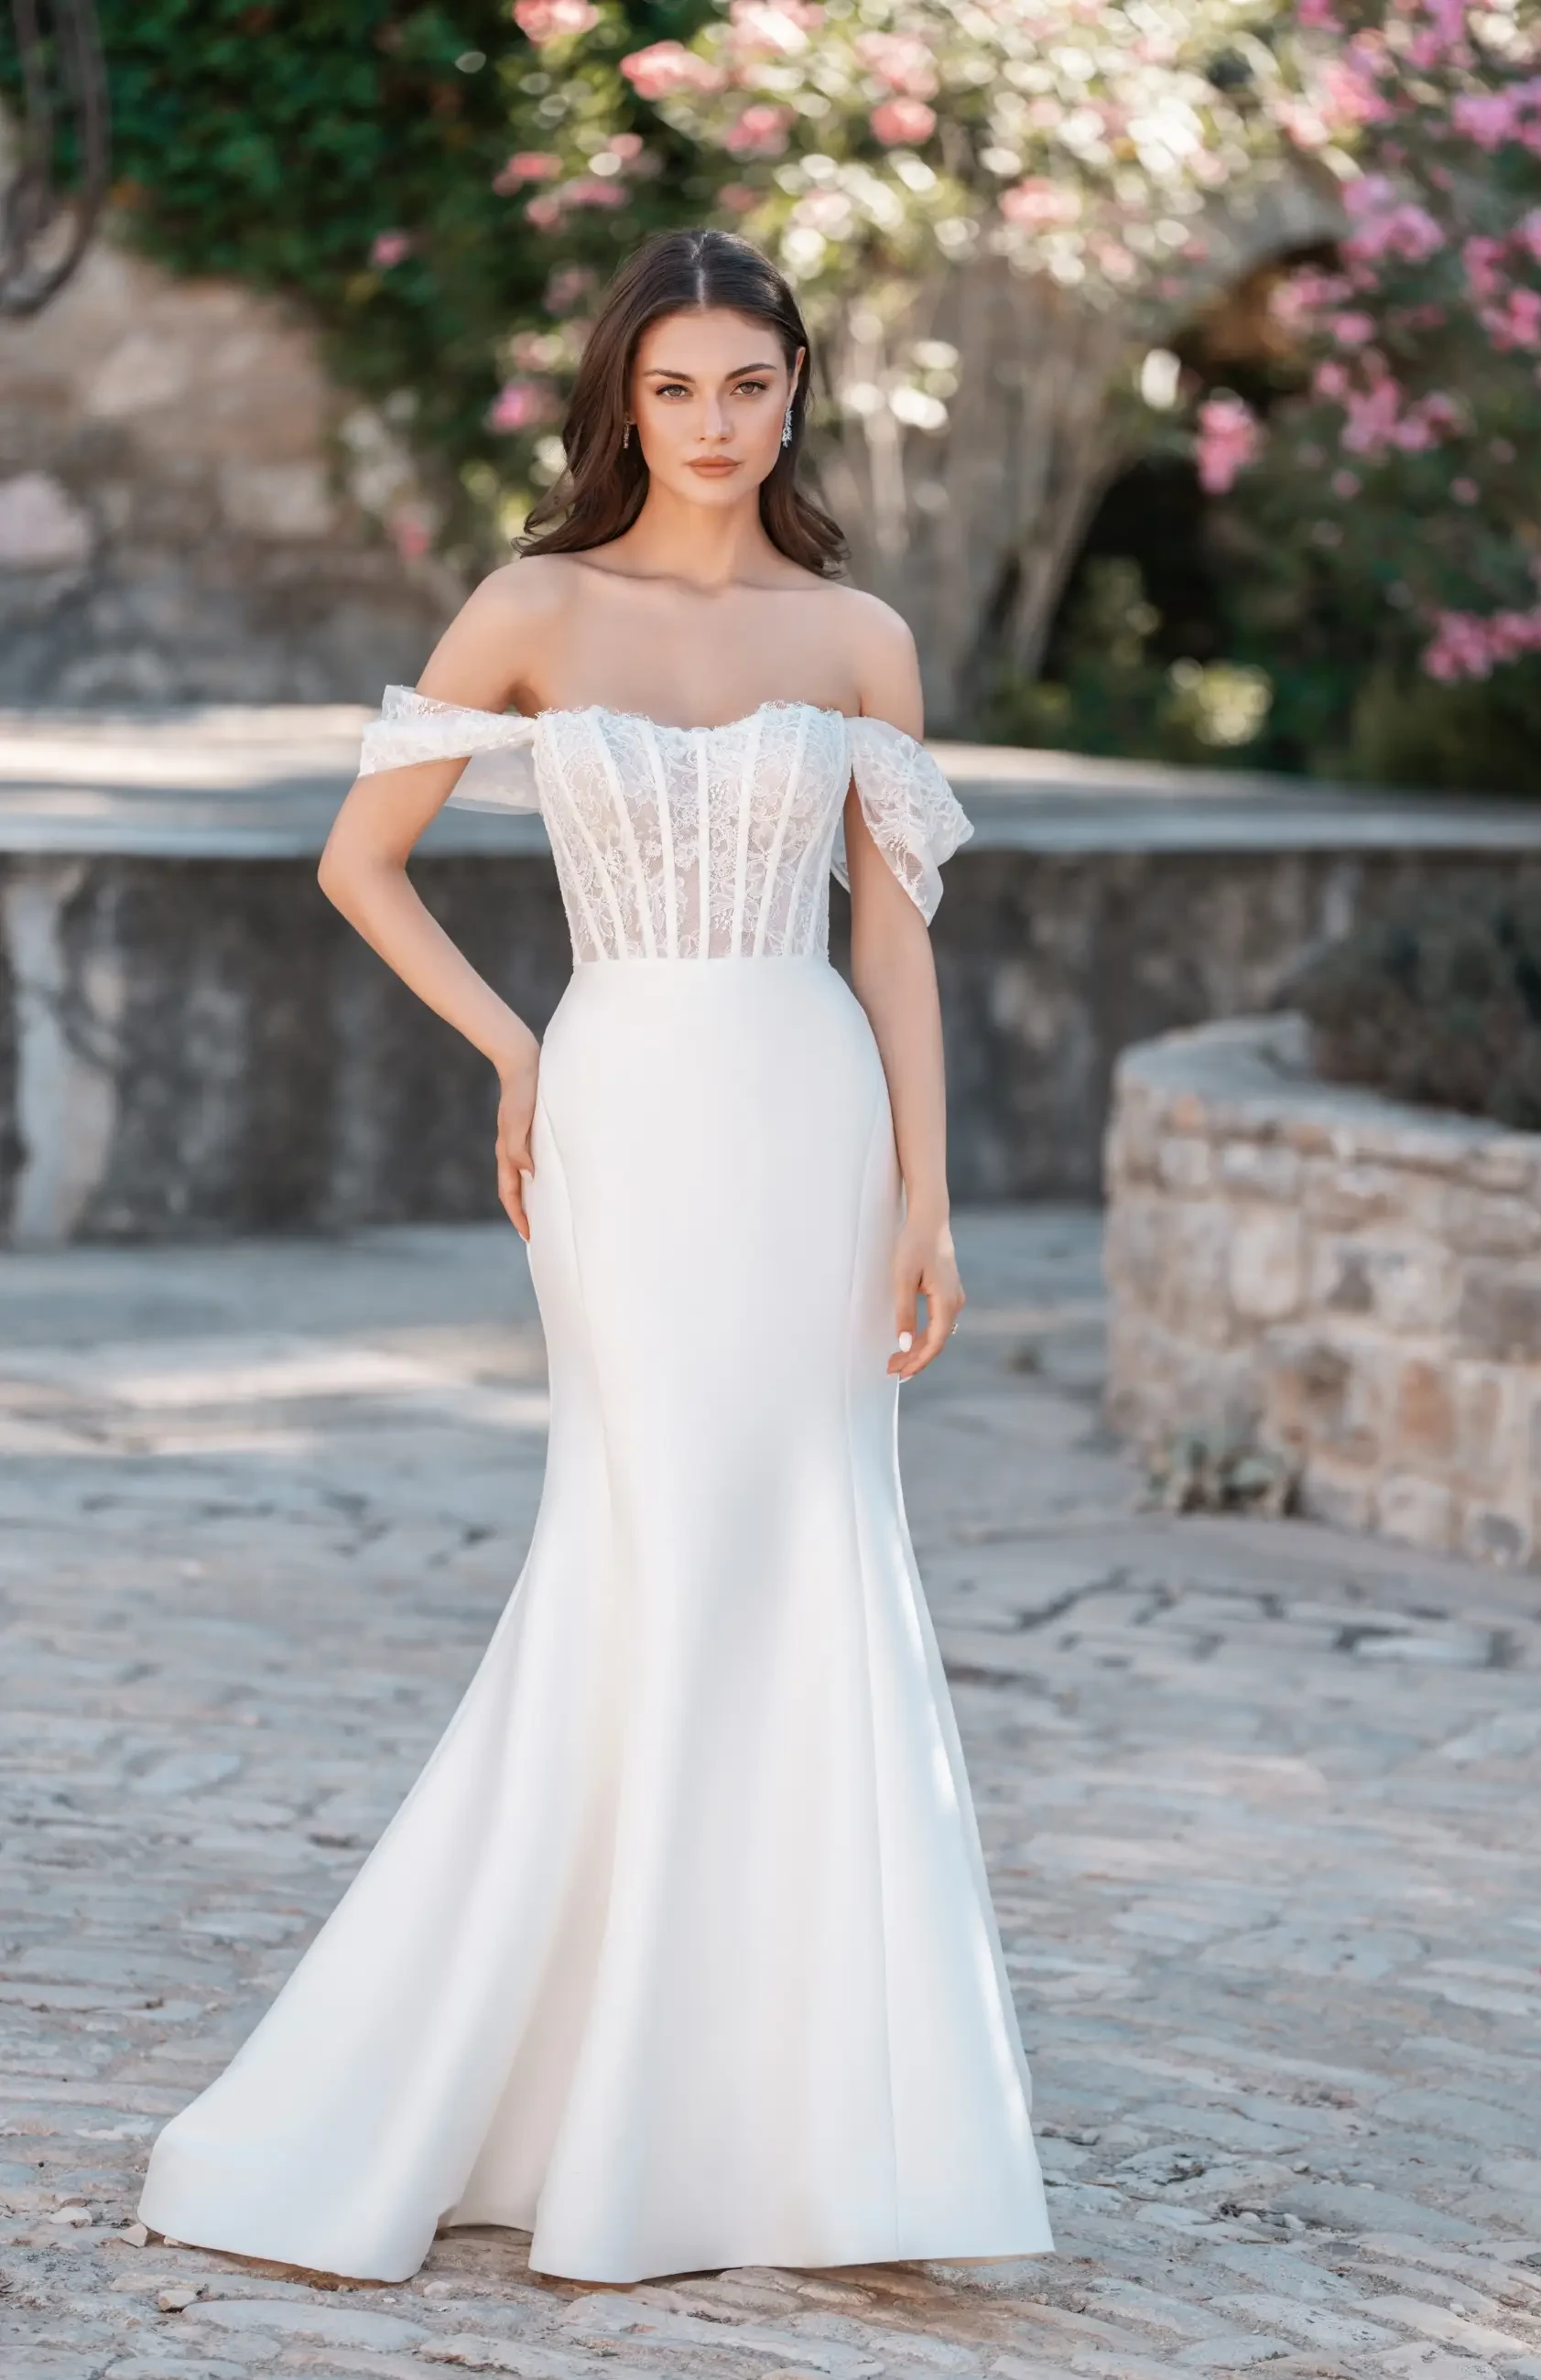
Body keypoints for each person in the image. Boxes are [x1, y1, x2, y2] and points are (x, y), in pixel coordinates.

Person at [137, 226, 1051, 2288]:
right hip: (625, 1110)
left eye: (748, 385)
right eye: (675, 390)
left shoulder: (859, 636)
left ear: (795, 389)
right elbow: (358, 859)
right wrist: (515, 1038)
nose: (715, 426)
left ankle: (777, 2117)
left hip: (805, 1117)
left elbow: (888, 935)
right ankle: (559, 2081)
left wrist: (925, 1195)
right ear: (620, 400)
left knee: (804, 1549)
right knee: (642, 1547)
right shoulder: (533, 602)